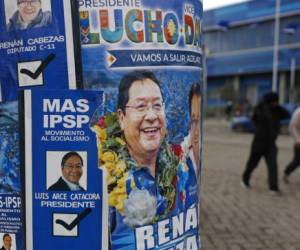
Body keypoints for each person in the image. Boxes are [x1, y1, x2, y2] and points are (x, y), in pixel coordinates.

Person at [93, 71, 200, 249]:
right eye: (141, 107)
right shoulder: (103, 176)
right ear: (121, 118)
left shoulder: (182, 165)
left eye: (157, 106)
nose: (151, 116)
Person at [242, 92, 290, 193]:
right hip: (259, 142)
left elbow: (287, 114)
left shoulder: (277, 110)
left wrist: (278, 107)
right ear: (269, 101)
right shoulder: (260, 108)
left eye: (277, 101)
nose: (276, 103)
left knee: (272, 165)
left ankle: (273, 187)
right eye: (274, 101)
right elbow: (254, 119)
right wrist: (260, 130)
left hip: (271, 144)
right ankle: (245, 180)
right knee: (253, 163)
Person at [283, 106, 300, 183]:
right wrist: (297, 140)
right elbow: (292, 127)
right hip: (299, 142)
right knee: (297, 161)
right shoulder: (298, 112)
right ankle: (286, 172)